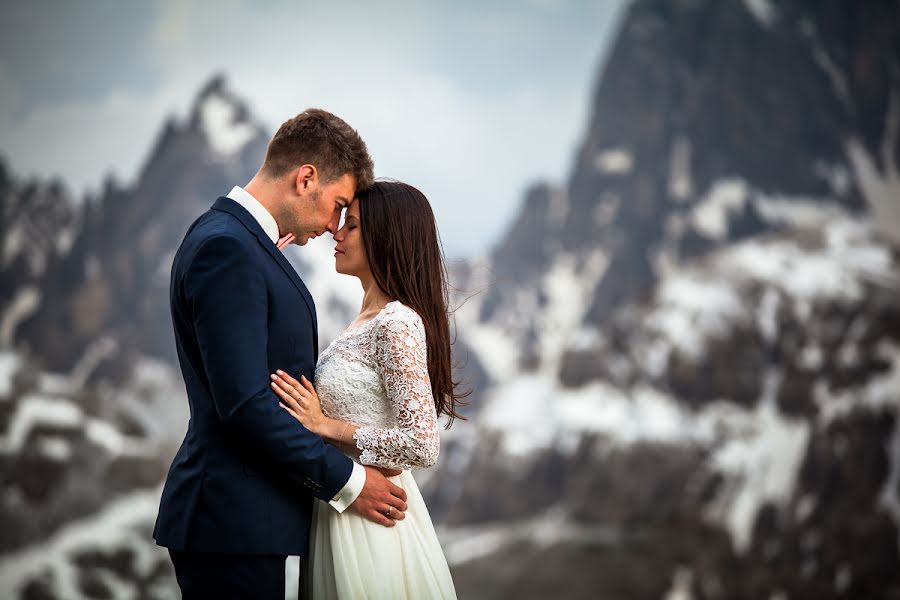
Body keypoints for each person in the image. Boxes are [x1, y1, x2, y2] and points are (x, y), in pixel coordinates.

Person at [153, 109, 410, 599]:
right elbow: (246, 405)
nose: (335, 225)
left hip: (244, 523)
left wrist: (267, 252)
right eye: (336, 205)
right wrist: (352, 483)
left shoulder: (240, 243)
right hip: (229, 522)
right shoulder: (228, 249)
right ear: (305, 178)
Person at [270, 180, 466, 599]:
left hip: (371, 526)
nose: (336, 233)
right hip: (338, 511)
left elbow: (422, 445)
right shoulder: (364, 321)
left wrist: (328, 427)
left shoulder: (395, 323)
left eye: (352, 226)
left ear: (385, 237)